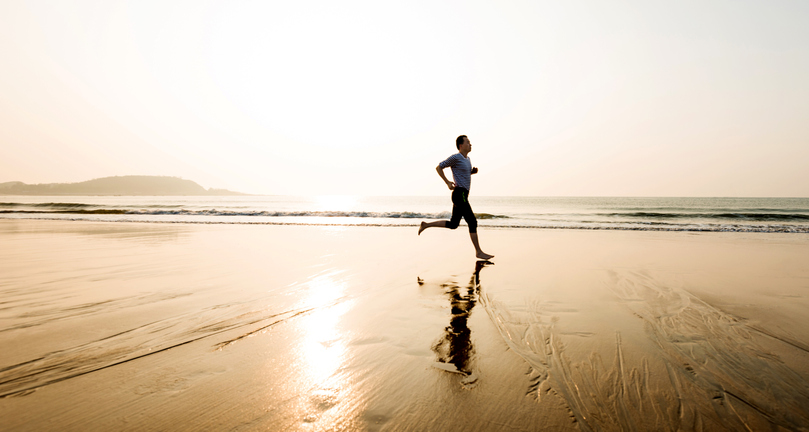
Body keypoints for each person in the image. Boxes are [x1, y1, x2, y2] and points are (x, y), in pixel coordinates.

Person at [418, 135, 494, 260]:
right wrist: (447, 182)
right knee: (472, 221)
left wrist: (471, 172)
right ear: (461, 145)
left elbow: (462, 173)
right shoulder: (456, 157)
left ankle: (426, 225)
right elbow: (439, 167)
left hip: (463, 195)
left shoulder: (468, 159)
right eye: (468, 142)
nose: (470, 144)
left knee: (454, 224)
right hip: (459, 194)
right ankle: (478, 252)